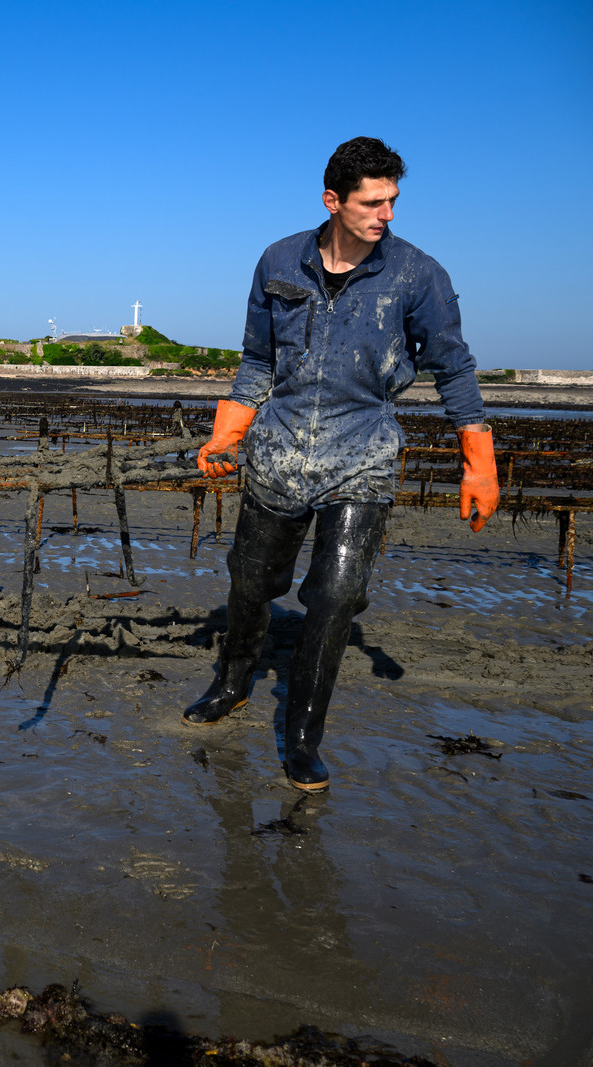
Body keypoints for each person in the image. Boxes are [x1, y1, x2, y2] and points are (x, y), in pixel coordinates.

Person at [186, 137, 498, 791]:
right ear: (334, 201)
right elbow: (256, 359)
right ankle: (233, 681)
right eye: (373, 202)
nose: (386, 214)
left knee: (334, 597)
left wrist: (478, 455)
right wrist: (230, 427)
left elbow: (453, 365)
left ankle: (301, 737)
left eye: (393, 201)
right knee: (250, 580)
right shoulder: (279, 260)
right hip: (278, 452)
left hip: (362, 456)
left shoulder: (418, 275)